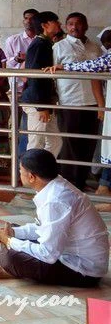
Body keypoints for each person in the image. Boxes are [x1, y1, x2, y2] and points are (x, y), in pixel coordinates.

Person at [0, 149, 108, 286]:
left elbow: (48, 254)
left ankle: (11, 270)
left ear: (31, 177)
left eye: (20, 170)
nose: (19, 173)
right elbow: (44, 229)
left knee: (10, 258)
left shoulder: (55, 200)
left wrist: (10, 241)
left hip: (84, 271)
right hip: (66, 251)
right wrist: (12, 233)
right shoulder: (56, 184)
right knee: (14, 230)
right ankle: (15, 268)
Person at [47, 47, 111, 203]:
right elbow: (97, 64)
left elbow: (96, 65)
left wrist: (66, 66)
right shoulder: (60, 47)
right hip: (71, 103)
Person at [50, 12, 104, 191]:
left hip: (92, 103)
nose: (75, 27)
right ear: (65, 27)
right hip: (69, 102)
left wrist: (101, 105)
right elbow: (50, 73)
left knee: (88, 144)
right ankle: (68, 184)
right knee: (70, 145)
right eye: (70, 24)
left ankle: (80, 182)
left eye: (79, 23)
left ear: (86, 25)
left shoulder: (95, 47)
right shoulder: (59, 46)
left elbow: (98, 76)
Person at [20, 11, 62, 156]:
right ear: (45, 25)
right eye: (55, 21)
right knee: (35, 143)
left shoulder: (45, 43)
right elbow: (35, 77)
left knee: (55, 141)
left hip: (44, 102)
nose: (59, 24)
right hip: (37, 102)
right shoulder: (39, 45)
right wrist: (41, 106)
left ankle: (44, 173)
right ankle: (28, 175)